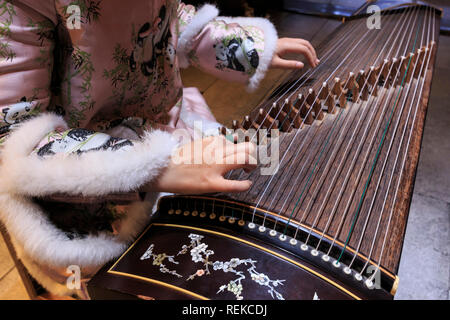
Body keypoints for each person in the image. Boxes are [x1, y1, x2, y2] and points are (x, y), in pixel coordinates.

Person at [0, 0, 318, 298]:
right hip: (86, 183)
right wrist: (155, 165)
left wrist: (245, 47)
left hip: (166, 127)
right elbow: (11, 135)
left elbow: (168, 17)